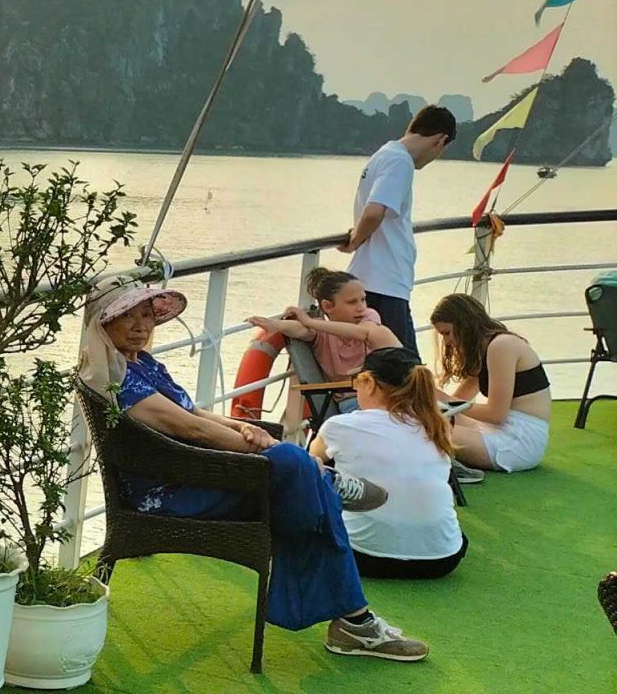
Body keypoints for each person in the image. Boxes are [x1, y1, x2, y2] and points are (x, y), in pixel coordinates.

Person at [80, 277, 428, 662]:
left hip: (197, 474)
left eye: (146, 314)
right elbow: (190, 429)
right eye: (127, 316)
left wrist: (243, 427)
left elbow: (194, 413)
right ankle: (354, 615)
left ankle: (326, 495)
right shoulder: (117, 382)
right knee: (298, 471)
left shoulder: (141, 364)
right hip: (174, 491)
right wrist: (260, 447)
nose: (141, 325)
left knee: (302, 480)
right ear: (103, 323)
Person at [310, 347, 465, 579]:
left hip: (362, 558)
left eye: (357, 382)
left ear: (370, 383)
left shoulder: (339, 426)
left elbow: (311, 463)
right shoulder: (437, 426)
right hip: (441, 561)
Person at [340, 105, 458, 351]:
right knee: (404, 364)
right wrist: (355, 241)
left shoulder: (385, 153)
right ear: (441, 140)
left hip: (374, 278)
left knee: (385, 360)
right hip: (385, 281)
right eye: (442, 150)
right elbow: (374, 211)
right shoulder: (400, 161)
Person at [246, 267, 402, 416]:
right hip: (353, 400)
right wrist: (276, 325)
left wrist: (309, 321)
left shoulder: (369, 317)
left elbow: (362, 333)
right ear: (327, 306)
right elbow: (299, 329)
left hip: (384, 396)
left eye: (363, 300)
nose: (361, 307)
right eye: (352, 302)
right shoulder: (321, 334)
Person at [430, 292, 552, 472]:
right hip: (496, 428)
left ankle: (453, 469)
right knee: (424, 419)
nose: (447, 342)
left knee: (425, 429)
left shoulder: (502, 346)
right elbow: (457, 402)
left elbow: (496, 414)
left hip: (518, 440)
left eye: (447, 333)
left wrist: (442, 398)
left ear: (464, 325)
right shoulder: (485, 349)